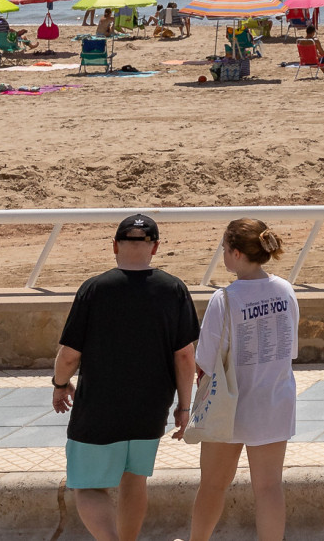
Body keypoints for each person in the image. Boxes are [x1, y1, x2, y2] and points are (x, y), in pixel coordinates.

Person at [54, 214, 198, 541]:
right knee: (134, 479)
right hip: (151, 407)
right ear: (155, 247)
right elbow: (185, 356)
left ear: (115, 246)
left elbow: (70, 355)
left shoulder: (95, 289)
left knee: (87, 486)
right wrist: (184, 407)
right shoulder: (173, 289)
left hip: (99, 407)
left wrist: (60, 384)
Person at [184, 218, 297, 541]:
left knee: (213, 484)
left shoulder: (225, 299)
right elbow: (290, 347)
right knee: (269, 487)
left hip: (229, 405)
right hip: (274, 400)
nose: (223, 254)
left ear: (236, 253)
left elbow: (205, 361)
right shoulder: (285, 290)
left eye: (224, 248)